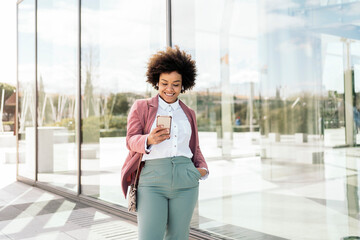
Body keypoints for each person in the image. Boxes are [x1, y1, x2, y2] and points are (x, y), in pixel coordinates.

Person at [121, 46, 209, 240]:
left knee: (178, 236)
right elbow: (130, 140)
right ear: (156, 82)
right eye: (164, 83)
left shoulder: (188, 113)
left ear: (183, 85)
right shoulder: (142, 107)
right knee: (150, 236)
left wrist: (201, 169)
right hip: (151, 180)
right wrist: (149, 139)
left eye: (176, 84)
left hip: (186, 178)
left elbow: (194, 147)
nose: (170, 89)